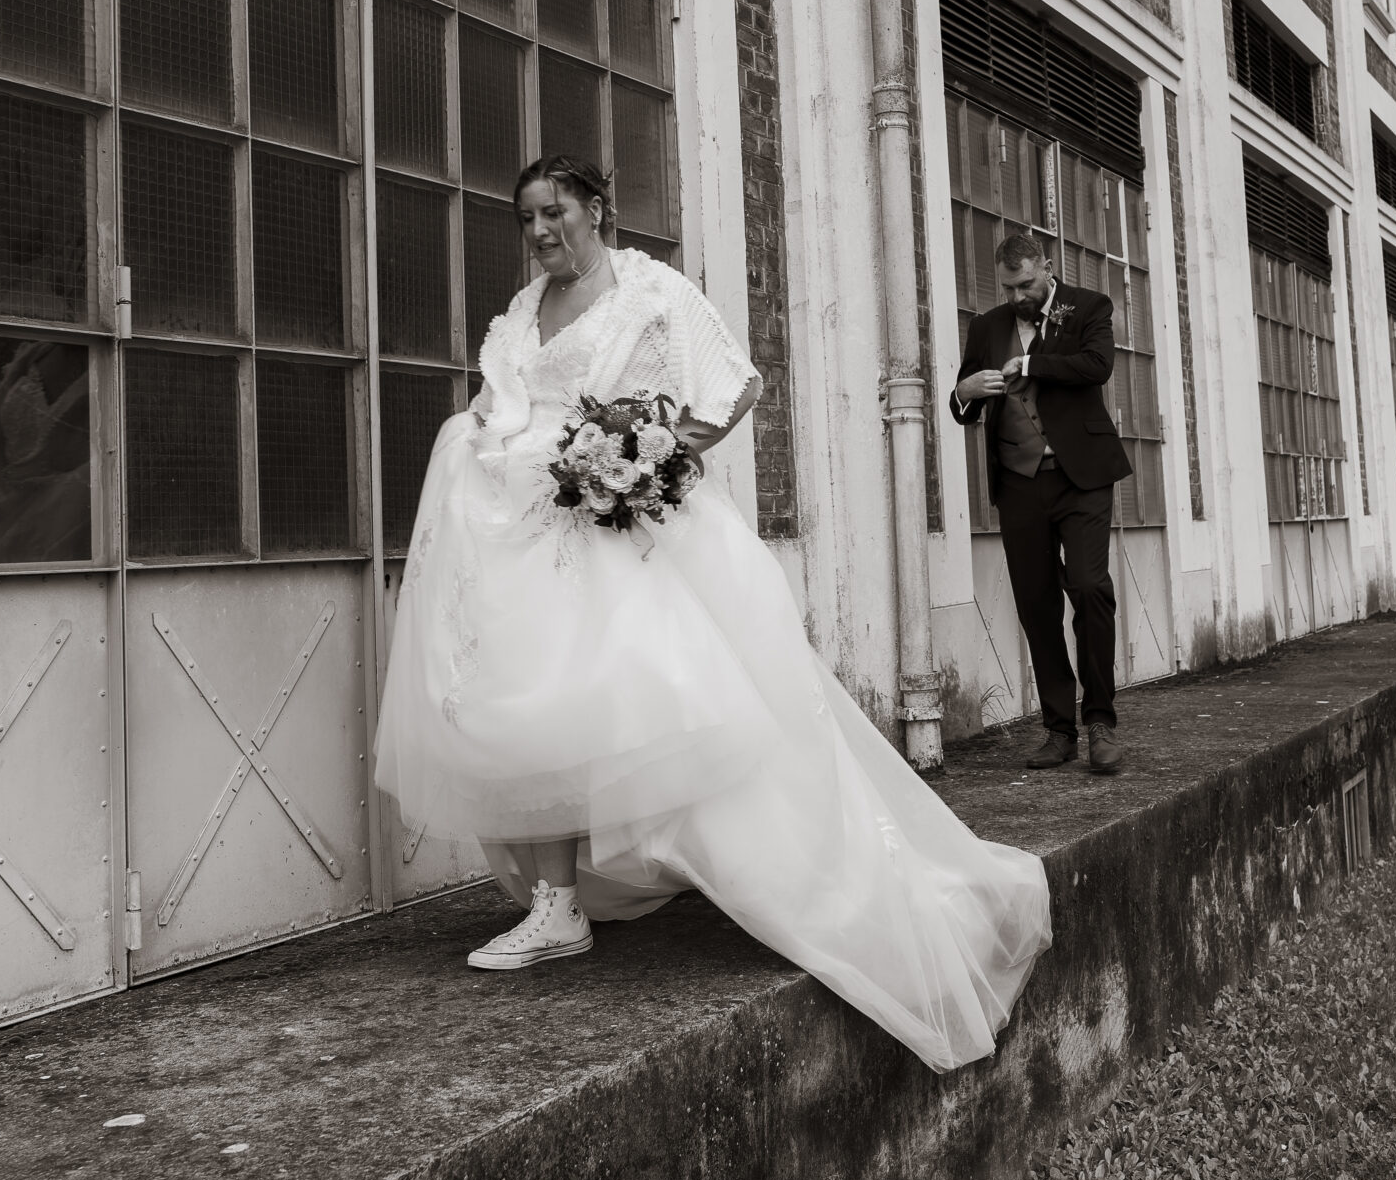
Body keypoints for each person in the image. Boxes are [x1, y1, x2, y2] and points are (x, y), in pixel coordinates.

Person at [373, 156, 1051, 1073]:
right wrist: (492, 442)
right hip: (525, 537)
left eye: (554, 212)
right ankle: (555, 903)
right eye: (526, 216)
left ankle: (809, 878)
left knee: (684, 710)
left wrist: (649, 452)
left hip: (626, 533)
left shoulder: (650, 288)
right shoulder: (522, 311)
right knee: (530, 708)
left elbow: (735, 387)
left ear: (595, 209)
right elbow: (501, 399)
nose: (539, 232)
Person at [949, 231, 1132, 776]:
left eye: (1026, 284)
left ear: (1047, 269)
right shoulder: (986, 328)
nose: (1017, 297)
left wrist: (1028, 366)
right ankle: (1059, 730)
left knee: (1090, 588)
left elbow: (1095, 365)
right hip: (1020, 484)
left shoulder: (1088, 308)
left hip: (1081, 478)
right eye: (1007, 287)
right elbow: (962, 402)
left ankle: (1100, 721)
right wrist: (966, 392)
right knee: (1036, 604)